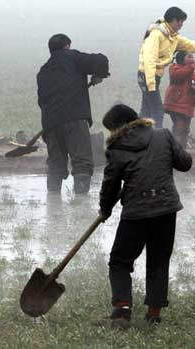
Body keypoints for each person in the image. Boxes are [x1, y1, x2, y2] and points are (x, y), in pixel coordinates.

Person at [98, 104, 192, 329]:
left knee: (120, 262)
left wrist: (105, 209)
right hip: (166, 209)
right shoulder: (163, 135)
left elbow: (110, 185)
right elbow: (185, 163)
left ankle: (121, 311)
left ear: (116, 128)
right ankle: (153, 314)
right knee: (158, 260)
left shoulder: (117, 148)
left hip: (136, 212)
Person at [37, 33, 109, 194]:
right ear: (67, 46)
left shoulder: (43, 72)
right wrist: (99, 75)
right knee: (82, 161)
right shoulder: (73, 57)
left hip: (50, 124)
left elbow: (41, 101)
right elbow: (101, 60)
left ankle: (53, 203)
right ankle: (80, 206)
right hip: (74, 120)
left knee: (56, 163)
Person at [138, 6, 195, 128]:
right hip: (147, 75)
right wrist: (151, 83)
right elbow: (149, 59)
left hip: (153, 77)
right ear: (174, 20)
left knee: (146, 110)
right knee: (158, 110)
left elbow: (190, 45)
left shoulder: (173, 37)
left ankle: (135, 138)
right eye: (180, 22)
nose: (181, 25)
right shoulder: (156, 34)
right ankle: (158, 142)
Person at [163, 51, 195, 149]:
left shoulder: (191, 71)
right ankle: (174, 150)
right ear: (181, 58)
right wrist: (191, 66)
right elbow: (177, 75)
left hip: (187, 106)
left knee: (185, 129)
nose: (192, 59)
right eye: (189, 57)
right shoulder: (174, 68)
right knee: (179, 127)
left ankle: (182, 151)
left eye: (192, 57)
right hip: (176, 105)